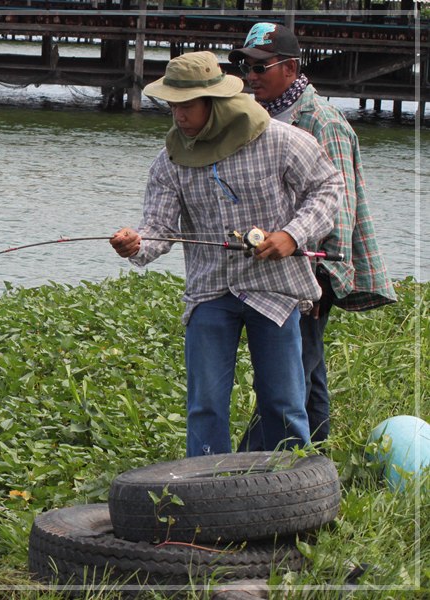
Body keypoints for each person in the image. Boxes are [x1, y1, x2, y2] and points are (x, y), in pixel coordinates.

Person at [110, 51, 343, 457]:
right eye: (172, 106)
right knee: (205, 405)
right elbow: (160, 229)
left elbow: (328, 187)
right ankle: (205, 488)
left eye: (186, 106)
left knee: (283, 402)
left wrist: (291, 235)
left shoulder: (278, 139)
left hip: (275, 289)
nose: (178, 116)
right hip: (211, 291)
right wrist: (136, 243)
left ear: (214, 104)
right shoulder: (170, 160)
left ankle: (293, 482)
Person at [229, 23, 396, 449]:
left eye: (260, 67)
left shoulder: (323, 121)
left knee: (292, 370)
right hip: (276, 263)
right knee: (309, 368)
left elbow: (339, 205)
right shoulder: (263, 117)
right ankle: (315, 456)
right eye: (244, 65)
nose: (250, 75)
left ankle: (257, 460)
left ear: (288, 67)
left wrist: (321, 279)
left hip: (310, 268)